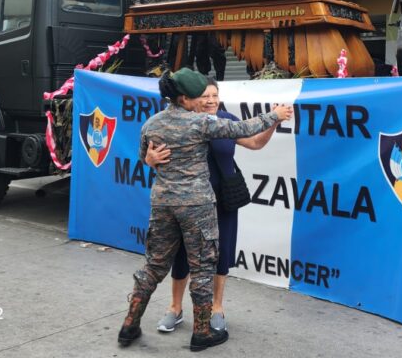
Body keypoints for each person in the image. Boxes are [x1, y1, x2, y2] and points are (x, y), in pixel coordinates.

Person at [117, 68, 293, 351]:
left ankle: (129, 325)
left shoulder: (151, 123)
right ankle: (201, 333)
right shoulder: (201, 123)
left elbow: (144, 157)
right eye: (199, 96)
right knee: (202, 268)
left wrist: (150, 159)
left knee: (153, 265)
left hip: (163, 204)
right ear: (184, 98)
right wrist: (275, 115)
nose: (205, 100)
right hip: (196, 206)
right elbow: (243, 129)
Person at [145, 78, 281, 334]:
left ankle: (217, 308)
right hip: (188, 203)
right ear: (192, 97)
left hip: (223, 199)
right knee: (182, 254)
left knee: (222, 254)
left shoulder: (226, 120)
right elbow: (150, 154)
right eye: (205, 96)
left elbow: (254, 142)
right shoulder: (180, 122)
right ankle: (175, 308)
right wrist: (149, 159)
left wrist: (274, 122)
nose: (210, 100)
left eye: (214, 95)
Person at [189, 0, 238, 81]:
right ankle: (204, 78)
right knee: (200, 51)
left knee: (216, 50)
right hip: (201, 21)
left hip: (216, 20)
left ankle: (220, 78)